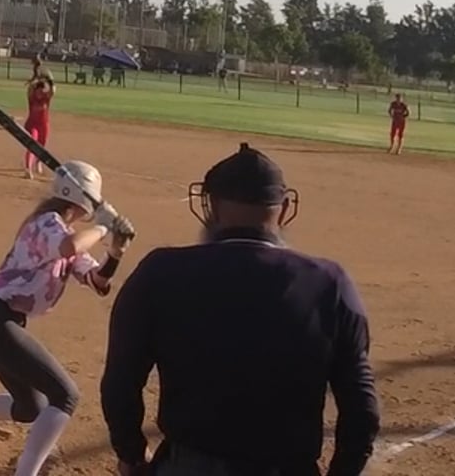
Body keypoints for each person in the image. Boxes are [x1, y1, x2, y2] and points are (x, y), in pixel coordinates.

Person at [102, 143, 379, 476]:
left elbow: (120, 382)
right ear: (284, 208)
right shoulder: (329, 283)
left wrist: (132, 455)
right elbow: (362, 409)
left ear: (212, 207)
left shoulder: (160, 271)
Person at [0, 163, 131, 475]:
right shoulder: (46, 223)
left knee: (31, 407)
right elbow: (69, 247)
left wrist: (116, 253)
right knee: (65, 396)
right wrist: (104, 228)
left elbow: (97, 282)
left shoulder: (66, 235)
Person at [24, 73, 55, 179]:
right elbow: (29, 89)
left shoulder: (46, 99)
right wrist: (36, 80)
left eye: (42, 91)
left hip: (44, 125)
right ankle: (28, 168)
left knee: (42, 145)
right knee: (32, 144)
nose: (40, 93)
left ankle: (38, 162)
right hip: (32, 125)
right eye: (38, 91)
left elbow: (53, 90)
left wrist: (50, 80)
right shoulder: (32, 99)